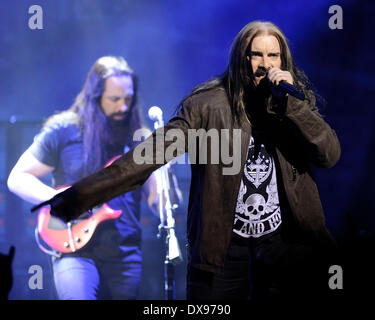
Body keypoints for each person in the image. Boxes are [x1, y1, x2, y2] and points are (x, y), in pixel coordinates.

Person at [33, 21, 341, 300]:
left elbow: (328, 154)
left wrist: (294, 106)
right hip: (223, 246)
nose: (264, 65)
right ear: (240, 58)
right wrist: (84, 194)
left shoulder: (294, 104)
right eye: (256, 55)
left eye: (273, 56)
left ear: (283, 61)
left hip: (283, 244)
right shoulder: (207, 106)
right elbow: (147, 156)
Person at [7, 56, 161, 300]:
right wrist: (59, 197)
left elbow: (158, 200)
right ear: (95, 96)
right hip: (73, 248)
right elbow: (17, 178)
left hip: (124, 253)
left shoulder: (141, 140)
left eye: (128, 99)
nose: (123, 106)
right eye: (114, 99)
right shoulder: (63, 131)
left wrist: (165, 191)